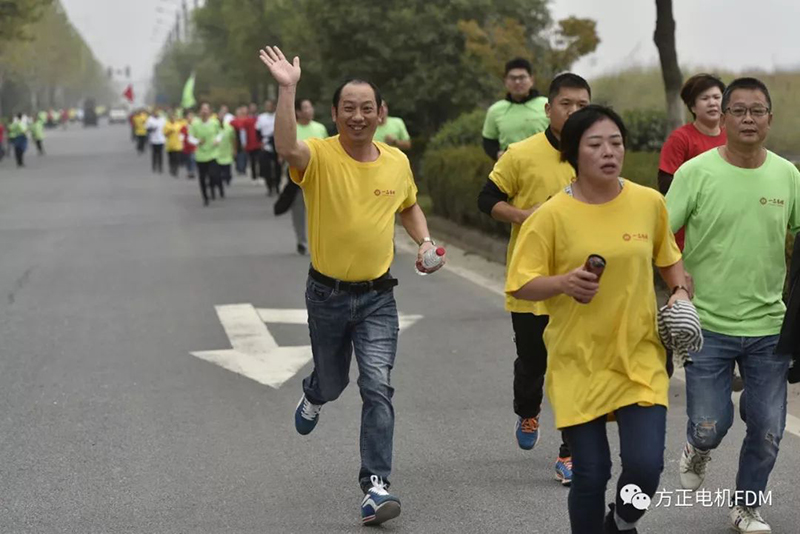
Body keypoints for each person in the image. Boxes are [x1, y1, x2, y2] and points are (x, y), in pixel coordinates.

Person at [259, 45, 445, 526]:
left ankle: (375, 486)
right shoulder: (317, 156)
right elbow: (285, 148)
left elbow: (408, 206)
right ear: (335, 113)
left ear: (381, 114)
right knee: (334, 381)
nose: (358, 116)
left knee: (378, 387)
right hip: (327, 295)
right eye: (349, 108)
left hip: (379, 296)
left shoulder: (396, 163)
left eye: (367, 108)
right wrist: (287, 89)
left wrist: (424, 242)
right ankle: (315, 392)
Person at [506, 105, 687, 534]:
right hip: (577, 360)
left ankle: (621, 523)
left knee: (645, 469)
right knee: (590, 473)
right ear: (573, 153)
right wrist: (563, 283)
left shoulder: (648, 203)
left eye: (616, 143)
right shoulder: (551, 215)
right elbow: (520, 283)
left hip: (639, 356)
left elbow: (669, 260)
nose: (609, 152)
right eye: (596, 144)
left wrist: (679, 292)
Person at [666, 78, 800, 534]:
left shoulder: (787, 175)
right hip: (707, 324)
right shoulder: (696, 172)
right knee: (709, 424)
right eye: (737, 110)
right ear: (722, 119)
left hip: (769, 326)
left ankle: (745, 507)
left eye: (756, 111)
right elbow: (661, 235)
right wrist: (678, 280)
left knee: (766, 429)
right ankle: (697, 447)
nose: (747, 119)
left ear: (769, 119)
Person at [477, 73, 591, 486]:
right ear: (548, 109)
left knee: (573, 366)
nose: (575, 112)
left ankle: (570, 452)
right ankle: (528, 410)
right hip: (530, 281)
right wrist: (526, 217)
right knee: (534, 364)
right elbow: (486, 199)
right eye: (567, 104)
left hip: (580, 285)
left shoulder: (597, 154)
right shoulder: (520, 154)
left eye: (583, 105)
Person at [658, 74, 727, 249]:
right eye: (705, 98)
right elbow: (666, 182)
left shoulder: (732, 137)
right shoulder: (681, 139)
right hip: (688, 236)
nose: (712, 103)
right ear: (693, 107)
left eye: (717, 97)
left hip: (725, 231)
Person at [276, 98, 327, 255]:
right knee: (298, 208)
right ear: (298, 112)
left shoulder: (320, 128)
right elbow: (284, 149)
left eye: (310, 107)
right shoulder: (293, 129)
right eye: (306, 107)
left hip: (318, 174)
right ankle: (301, 241)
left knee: (320, 209)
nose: (309, 110)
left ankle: (320, 240)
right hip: (297, 174)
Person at [482, 58, 549, 161]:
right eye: (512, 78)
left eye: (522, 77)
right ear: (505, 81)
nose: (517, 82)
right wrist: (497, 154)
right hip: (510, 169)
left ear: (531, 80)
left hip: (543, 164)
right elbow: (488, 141)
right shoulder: (495, 110)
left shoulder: (547, 105)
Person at [189, 103, 222, 206]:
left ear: (209, 111)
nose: (204, 111)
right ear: (199, 112)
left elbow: (220, 133)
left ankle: (212, 188)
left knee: (213, 175)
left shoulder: (214, 122)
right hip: (201, 155)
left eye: (206, 109)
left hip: (213, 153)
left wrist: (217, 140)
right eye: (202, 109)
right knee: (202, 177)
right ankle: (205, 197)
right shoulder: (195, 124)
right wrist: (197, 141)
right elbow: (190, 138)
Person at [256, 99, 281, 195]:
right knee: (265, 166)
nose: (268, 107)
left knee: (277, 166)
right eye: (266, 105)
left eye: (270, 105)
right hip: (265, 143)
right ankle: (269, 186)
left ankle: (277, 185)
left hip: (277, 142)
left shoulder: (278, 116)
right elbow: (257, 131)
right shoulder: (261, 117)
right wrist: (260, 143)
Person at [231, 106, 262, 182]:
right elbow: (243, 132)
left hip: (258, 143)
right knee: (252, 160)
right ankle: (254, 176)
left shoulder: (258, 119)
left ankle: (260, 175)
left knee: (259, 160)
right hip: (250, 144)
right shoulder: (246, 121)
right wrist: (244, 142)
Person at [215, 111, 237, 187]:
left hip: (227, 151)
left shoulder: (229, 127)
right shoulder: (214, 127)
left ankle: (227, 179)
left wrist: (234, 149)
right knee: (218, 170)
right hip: (216, 152)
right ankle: (220, 181)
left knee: (227, 168)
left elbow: (233, 139)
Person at [164, 111, 186, 178]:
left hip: (178, 144)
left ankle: (176, 170)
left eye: (174, 117)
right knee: (171, 158)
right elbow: (165, 134)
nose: (173, 118)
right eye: (171, 117)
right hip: (170, 145)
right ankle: (171, 168)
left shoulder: (179, 125)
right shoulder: (167, 125)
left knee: (177, 158)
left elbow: (183, 133)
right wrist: (170, 131)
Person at [146, 109, 167, 174]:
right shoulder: (150, 119)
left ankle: (160, 167)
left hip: (161, 139)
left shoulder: (163, 119)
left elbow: (166, 128)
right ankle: (154, 166)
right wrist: (152, 129)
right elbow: (147, 129)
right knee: (154, 154)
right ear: (153, 113)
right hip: (153, 140)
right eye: (155, 113)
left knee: (160, 154)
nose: (156, 114)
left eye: (157, 113)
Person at [181, 110, 198, 180]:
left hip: (193, 146)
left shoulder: (196, 127)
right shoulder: (184, 127)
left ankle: (192, 172)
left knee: (192, 158)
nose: (190, 118)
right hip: (186, 147)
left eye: (191, 117)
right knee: (188, 160)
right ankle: (189, 171)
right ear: (186, 118)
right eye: (188, 117)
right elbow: (181, 137)